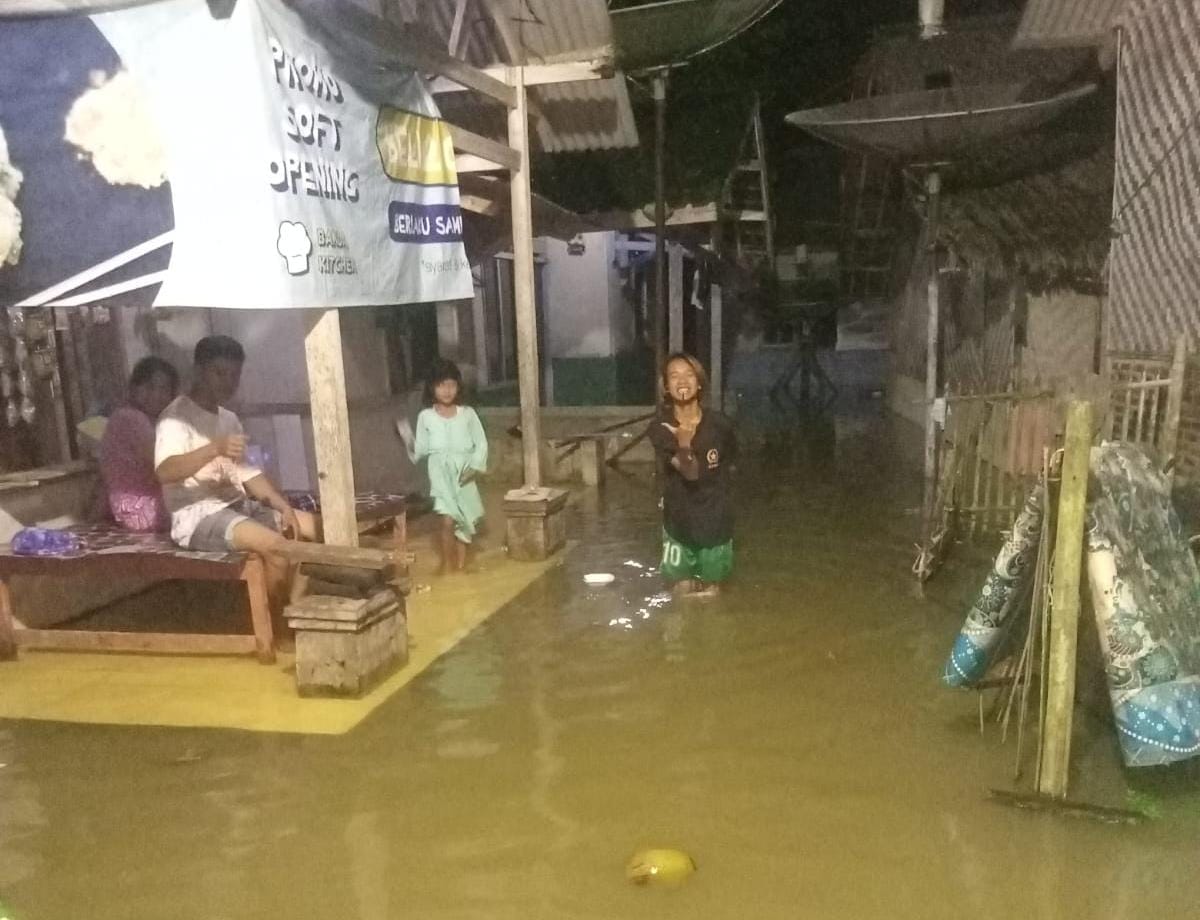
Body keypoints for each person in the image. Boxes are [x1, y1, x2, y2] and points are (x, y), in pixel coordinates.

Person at [154, 335, 319, 615]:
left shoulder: (229, 418)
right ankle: (274, 622)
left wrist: (282, 506)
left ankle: (298, 611)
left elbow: (248, 473)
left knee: (317, 529)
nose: (228, 382)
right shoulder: (174, 417)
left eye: (235, 375)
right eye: (220, 373)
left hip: (237, 506)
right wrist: (215, 448)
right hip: (197, 516)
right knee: (279, 549)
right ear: (198, 371)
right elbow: (165, 471)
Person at [647, 352, 737, 598]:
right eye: (673, 376)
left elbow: (731, 463)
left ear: (699, 383)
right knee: (680, 593)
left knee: (712, 595)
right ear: (666, 387)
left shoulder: (721, 425)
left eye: (689, 374)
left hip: (716, 521)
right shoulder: (659, 427)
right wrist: (684, 444)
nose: (682, 380)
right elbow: (690, 473)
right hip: (678, 522)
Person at [397, 359, 487, 574]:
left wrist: (474, 467)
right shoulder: (425, 417)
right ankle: (447, 564)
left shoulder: (468, 414)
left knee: (463, 522)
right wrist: (406, 438)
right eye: (441, 385)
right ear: (432, 388)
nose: (447, 391)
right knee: (447, 520)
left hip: (464, 474)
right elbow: (421, 449)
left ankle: (461, 565)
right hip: (440, 477)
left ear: (458, 387)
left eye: (451, 385)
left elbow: (481, 443)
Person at [98, 356, 179, 532]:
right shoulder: (129, 418)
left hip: (135, 506)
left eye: (164, 389)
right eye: (149, 387)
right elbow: (165, 464)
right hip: (136, 509)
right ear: (134, 388)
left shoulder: (155, 422)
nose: (156, 395)